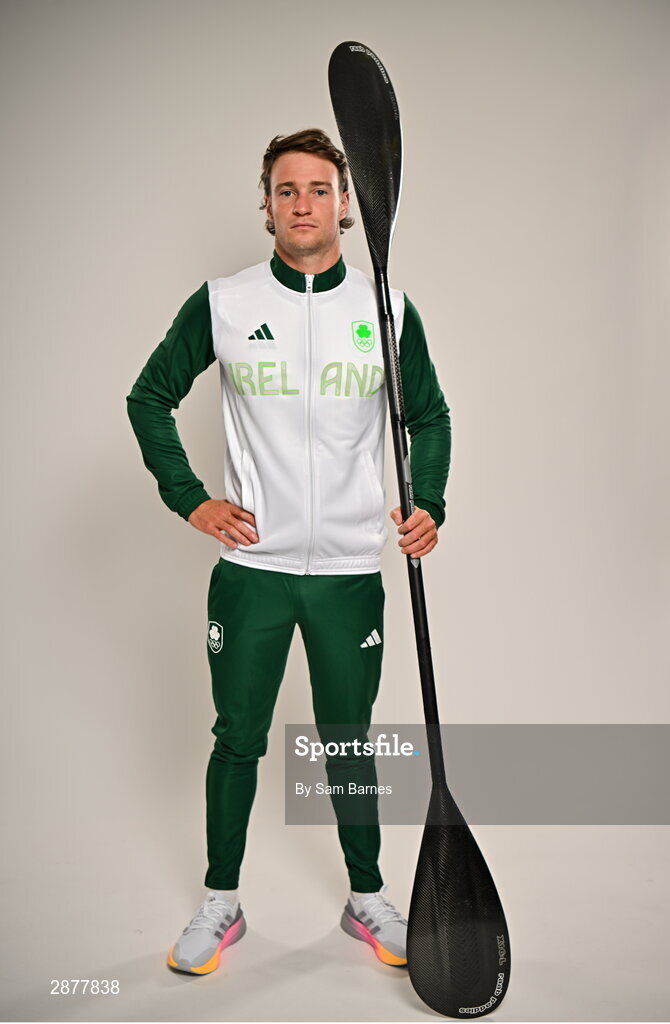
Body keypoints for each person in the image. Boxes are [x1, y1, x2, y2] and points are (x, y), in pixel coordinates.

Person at [126, 128, 451, 976]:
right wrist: (188, 498)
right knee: (237, 738)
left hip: (348, 574)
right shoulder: (225, 302)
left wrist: (431, 503)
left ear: (346, 202)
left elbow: (431, 416)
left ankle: (367, 898)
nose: (302, 203)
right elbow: (149, 396)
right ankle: (222, 904)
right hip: (254, 576)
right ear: (265, 204)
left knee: (348, 741)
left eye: (318, 189)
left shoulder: (387, 307)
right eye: (285, 190)